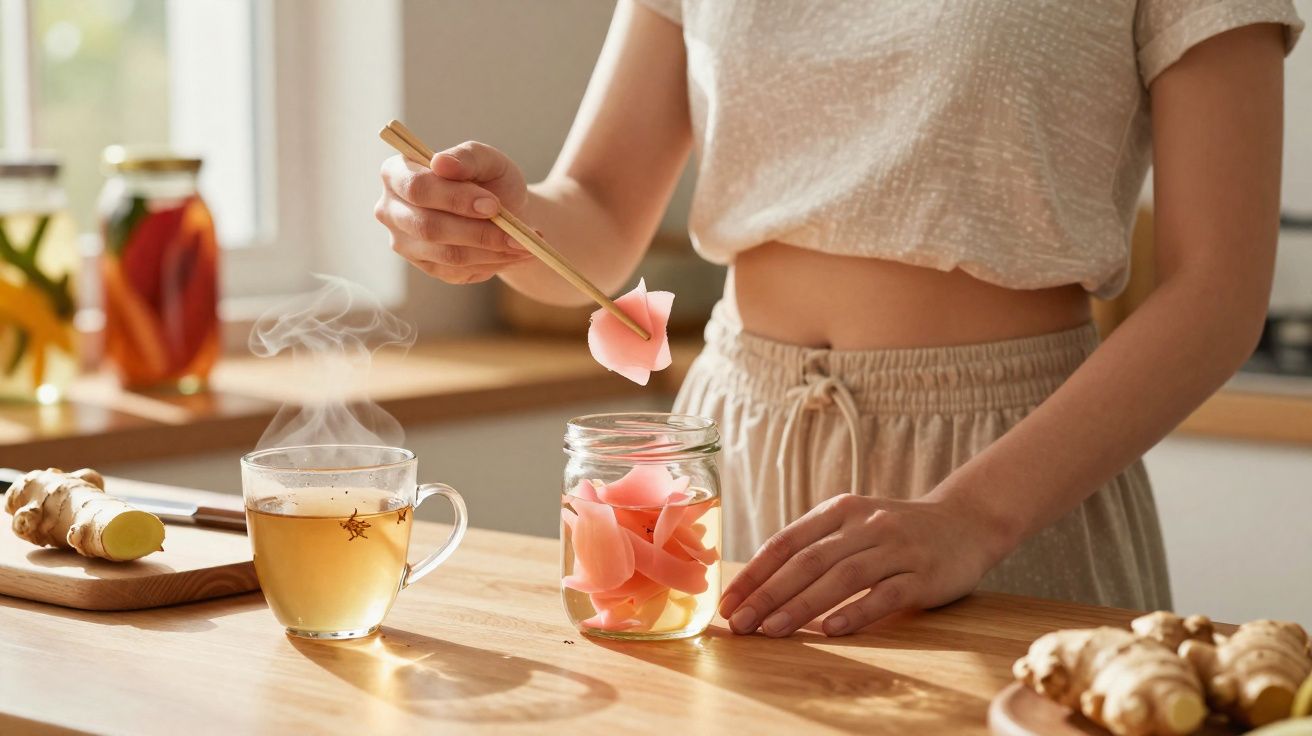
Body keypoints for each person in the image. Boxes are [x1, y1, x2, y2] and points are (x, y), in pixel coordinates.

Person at [375, 1, 1303, 638]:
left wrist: (968, 519)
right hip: (732, 451)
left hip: (1006, 474)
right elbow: (601, 211)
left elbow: (1217, 290)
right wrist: (503, 225)